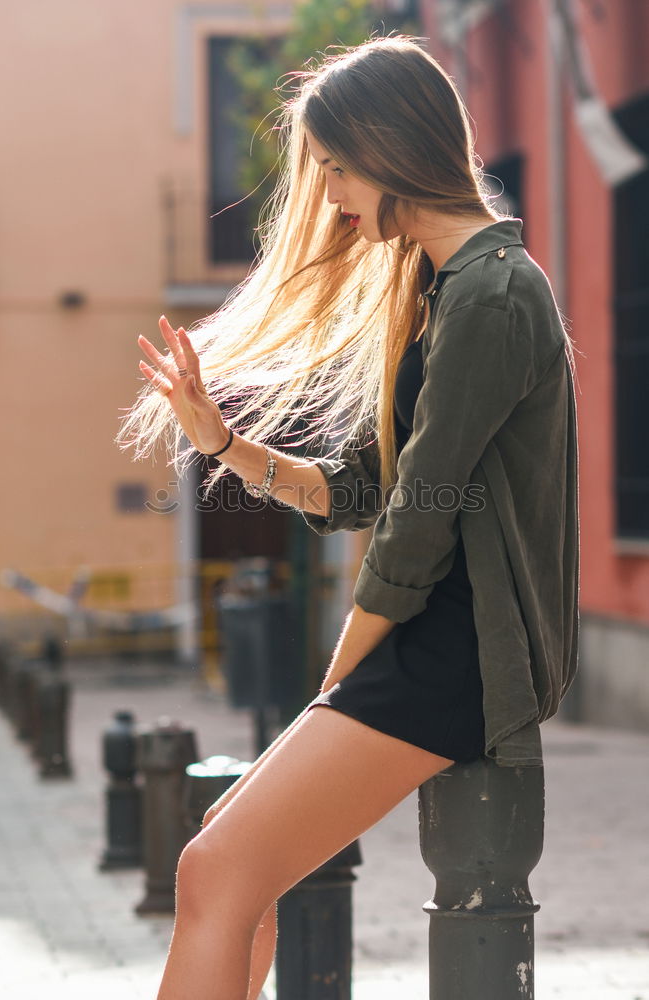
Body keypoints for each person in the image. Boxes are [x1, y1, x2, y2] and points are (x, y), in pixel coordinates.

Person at [116, 34, 580, 1000]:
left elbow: (417, 520)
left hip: (455, 654)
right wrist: (221, 444)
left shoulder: (494, 293)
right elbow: (362, 488)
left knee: (217, 870)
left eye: (333, 165)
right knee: (228, 869)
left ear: (390, 149)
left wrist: (340, 676)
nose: (325, 193)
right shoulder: (440, 287)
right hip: (425, 645)